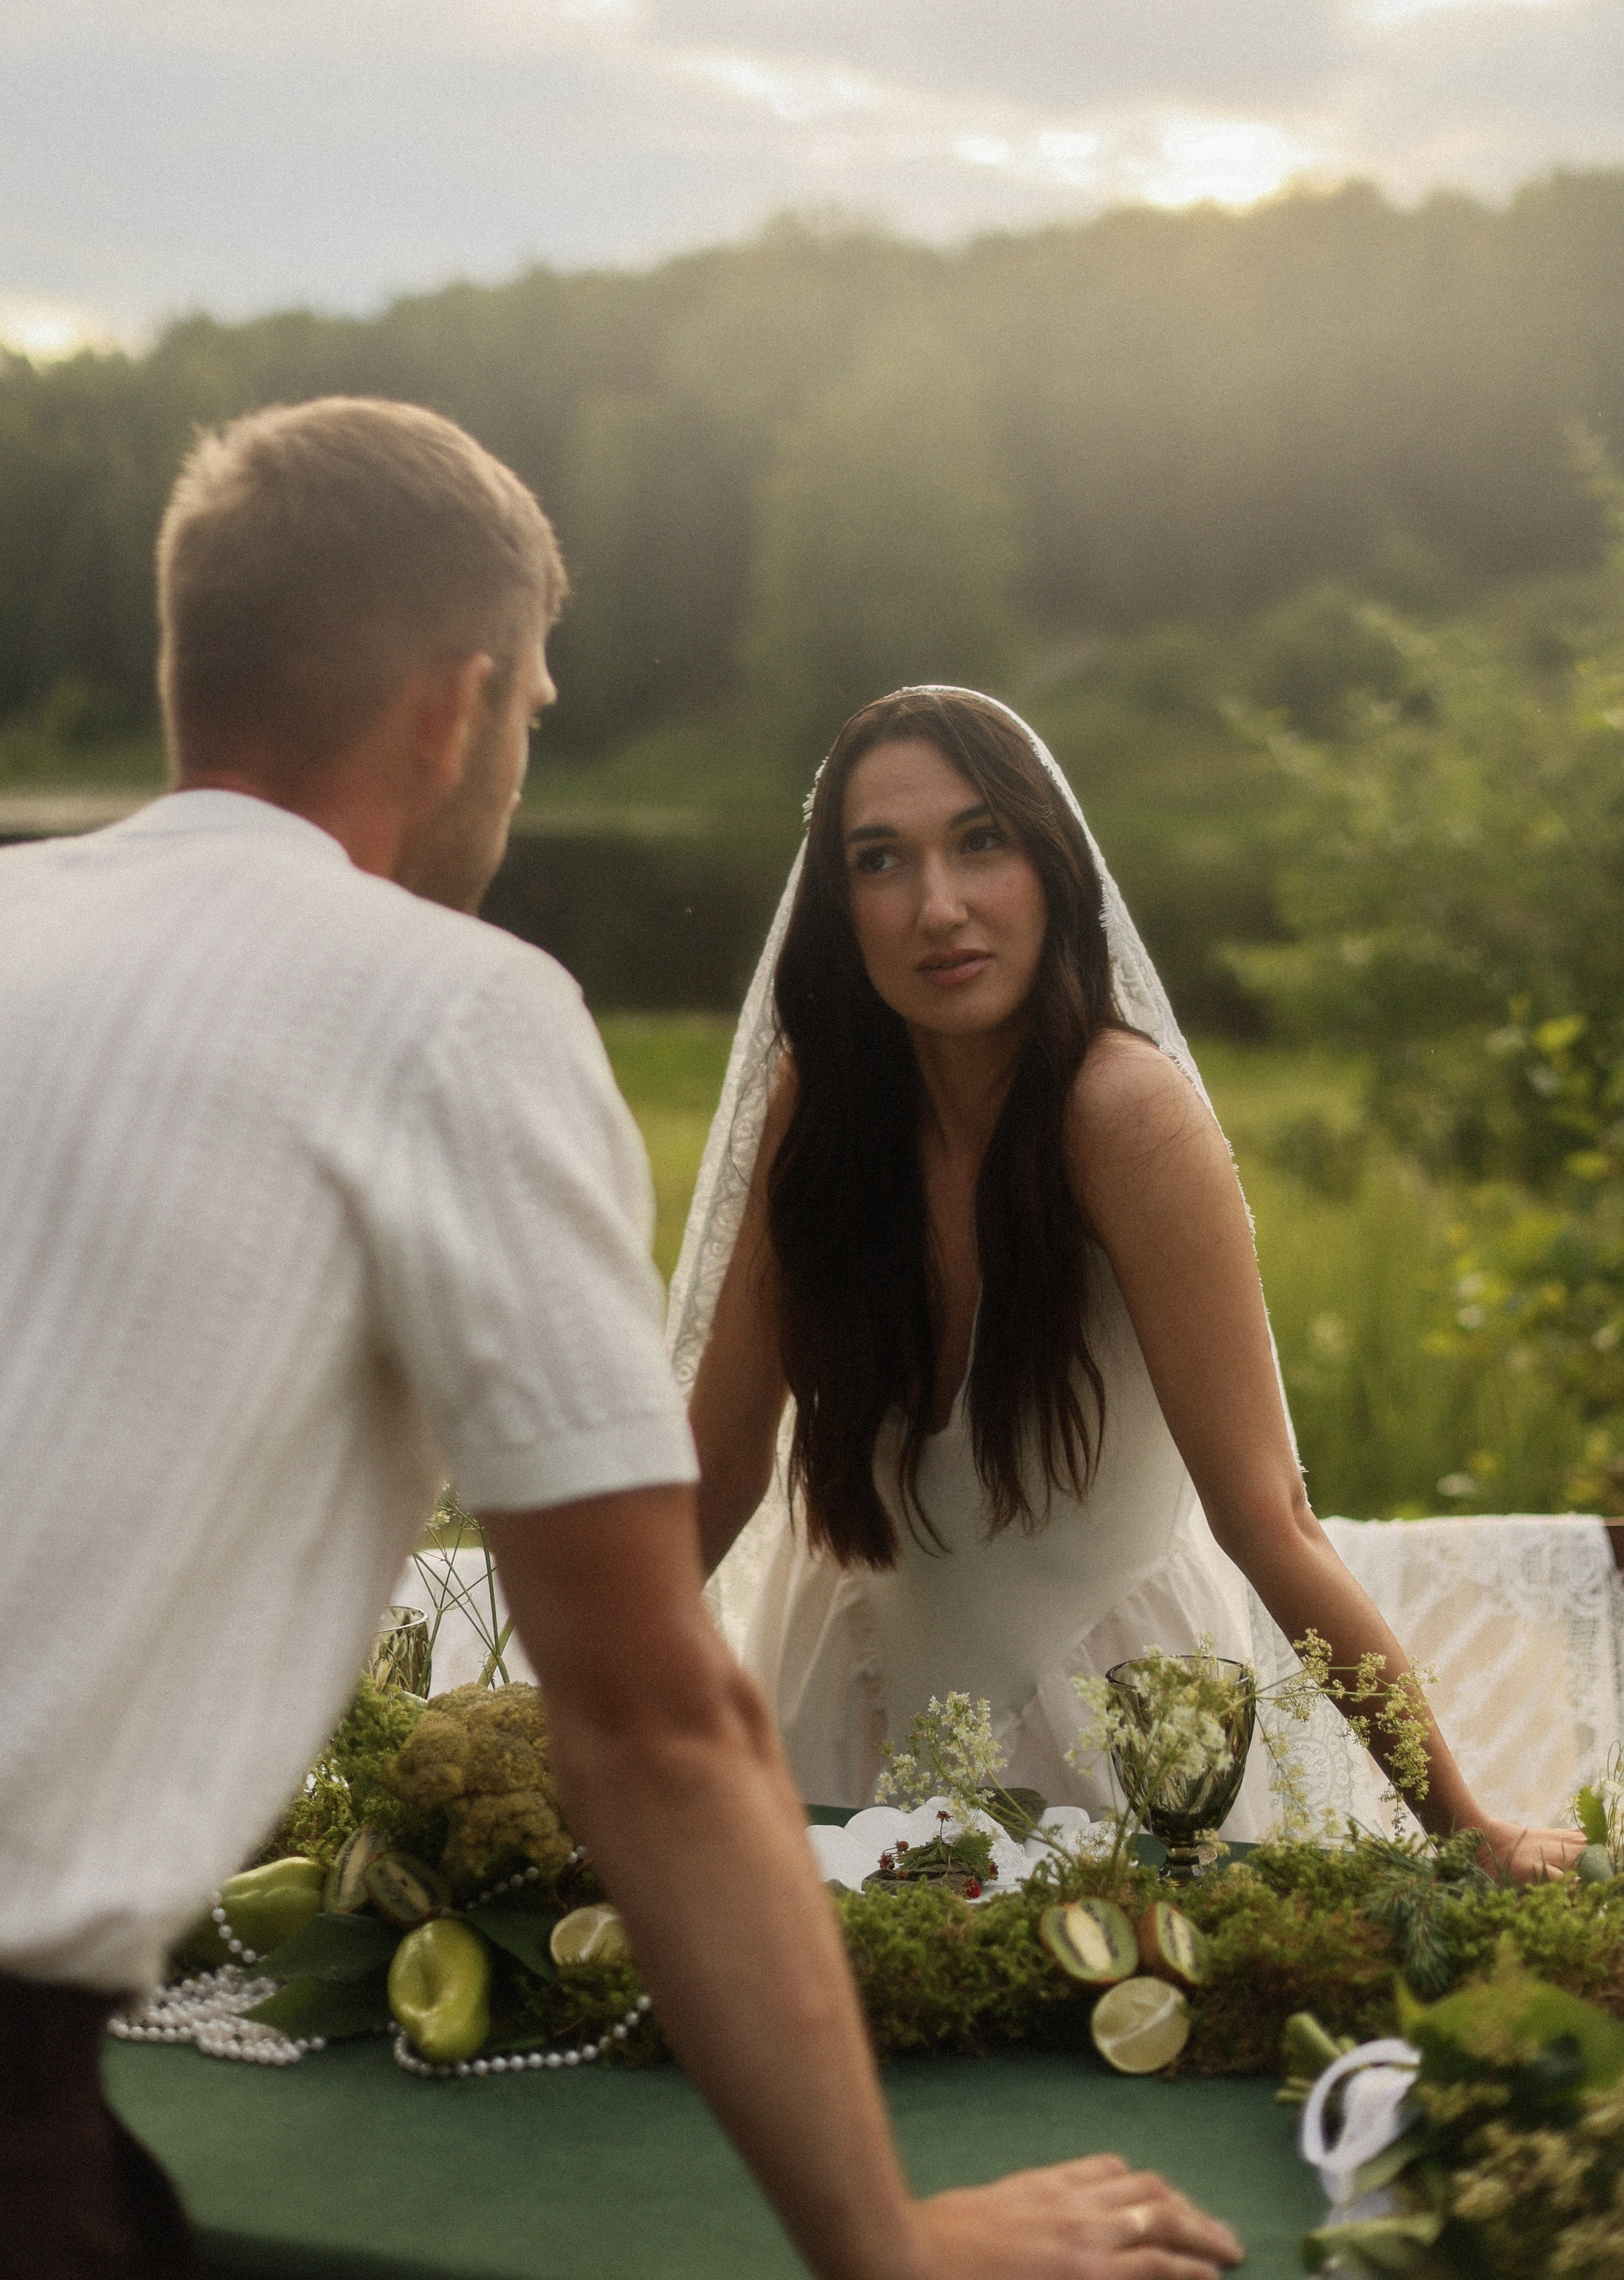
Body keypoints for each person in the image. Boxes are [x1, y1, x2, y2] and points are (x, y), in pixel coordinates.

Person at [0, 405, 1243, 2280]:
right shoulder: (453, 1016)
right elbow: (656, 1725)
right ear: (458, 708)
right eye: (541, 713)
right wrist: (888, 2246)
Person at [683, 685, 1587, 1875]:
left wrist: (1464, 1828)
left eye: (981, 841)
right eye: (880, 860)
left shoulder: (1125, 1117)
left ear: (1051, 866)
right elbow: (720, 1464)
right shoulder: (821, 1110)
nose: (939, 907)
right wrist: (548, 1705)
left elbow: (1272, 1521)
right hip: (843, 1705)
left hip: (1113, 1736)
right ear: (837, 904)